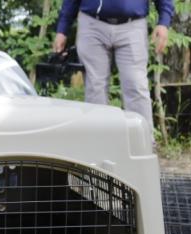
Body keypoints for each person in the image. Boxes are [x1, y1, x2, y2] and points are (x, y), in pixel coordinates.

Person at [53, 0, 173, 142]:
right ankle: (98, 144)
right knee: (95, 88)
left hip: (133, 25)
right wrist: (62, 29)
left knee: (136, 86)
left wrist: (164, 22)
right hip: (92, 24)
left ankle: (143, 144)